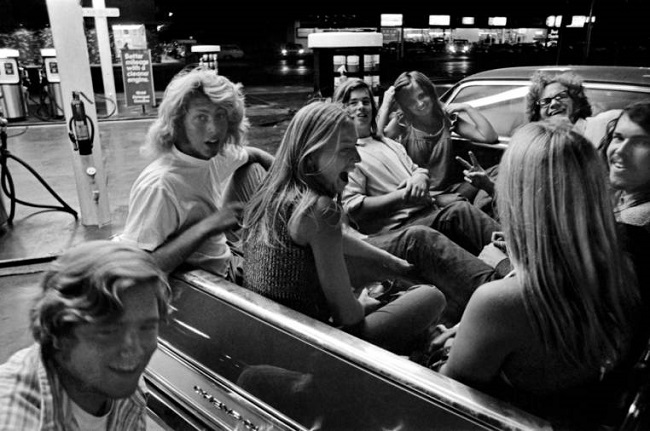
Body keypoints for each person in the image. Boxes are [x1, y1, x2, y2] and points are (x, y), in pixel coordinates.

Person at [439, 122, 644, 426]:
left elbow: (445, 399)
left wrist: (447, 350)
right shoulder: (623, 265)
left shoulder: (501, 302)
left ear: (517, 198)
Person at [242, 101, 446, 355]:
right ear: (312, 155)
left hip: (272, 335)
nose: (357, 159)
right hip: (314, 348)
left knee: (389, 276)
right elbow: (347, 315)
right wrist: (363, 304)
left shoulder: (271, 194)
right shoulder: (319, 209)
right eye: (346, 150)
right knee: (431, 297)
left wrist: (389, 261)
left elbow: (333, 238)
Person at [333, 77, 510, 324]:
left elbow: (417, 169)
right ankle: (500, 300)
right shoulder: (347, 152)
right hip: (397, 229)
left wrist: (419, 176)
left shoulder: (387, 143)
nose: (361, 107)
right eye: (352, 103)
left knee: (459, 209)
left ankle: (520, 258)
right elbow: (354, 209)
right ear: (340, 109)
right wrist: (401, 197)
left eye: (365, 101)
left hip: (427, 211)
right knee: (424, 235)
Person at [115, 66, 274, 282]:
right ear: (178, 122)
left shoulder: (209, 154)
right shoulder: (160, 186)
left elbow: (253, 154)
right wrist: (208, 226)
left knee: (252, 169)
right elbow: (136, 271)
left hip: (227, 251)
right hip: (217, 280)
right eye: (201, 117)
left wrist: (291, 180)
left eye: (220, 116)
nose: (214, 130)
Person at [0, 240, 171, 430]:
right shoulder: (14, 419)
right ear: (58, 334)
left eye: (147, 327)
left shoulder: (121, 382)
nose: (135, 349)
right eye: (108, 331)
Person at [377, 70, 498, 201]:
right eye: (411, 101)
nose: (420, 104)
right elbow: (376, 142)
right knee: (460, 203)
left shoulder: (444, 117)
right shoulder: (404, 120)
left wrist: (467, 108)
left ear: (430, 92)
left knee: (496, 171)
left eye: (422, 95)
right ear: (405, 105)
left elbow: (489, 137)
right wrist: (386, 105)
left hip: (449, 191)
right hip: (420, 194)